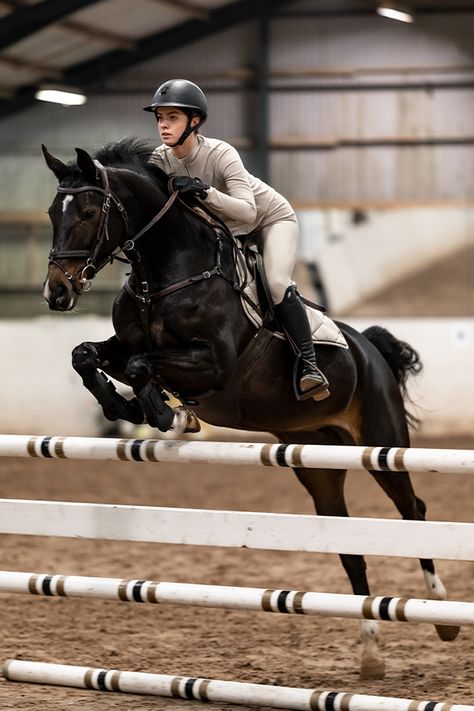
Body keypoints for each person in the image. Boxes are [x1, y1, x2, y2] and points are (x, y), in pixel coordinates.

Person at [143, 78, 329, 401]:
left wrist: (204, 191)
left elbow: (247, 211)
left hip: (269, 220)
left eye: (172, 117)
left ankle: (309, 365)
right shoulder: (160, 160)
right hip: (226, 230)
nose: (163, 125)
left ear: (194, 121)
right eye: (160, 117)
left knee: (275, 283)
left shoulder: (221, 153)